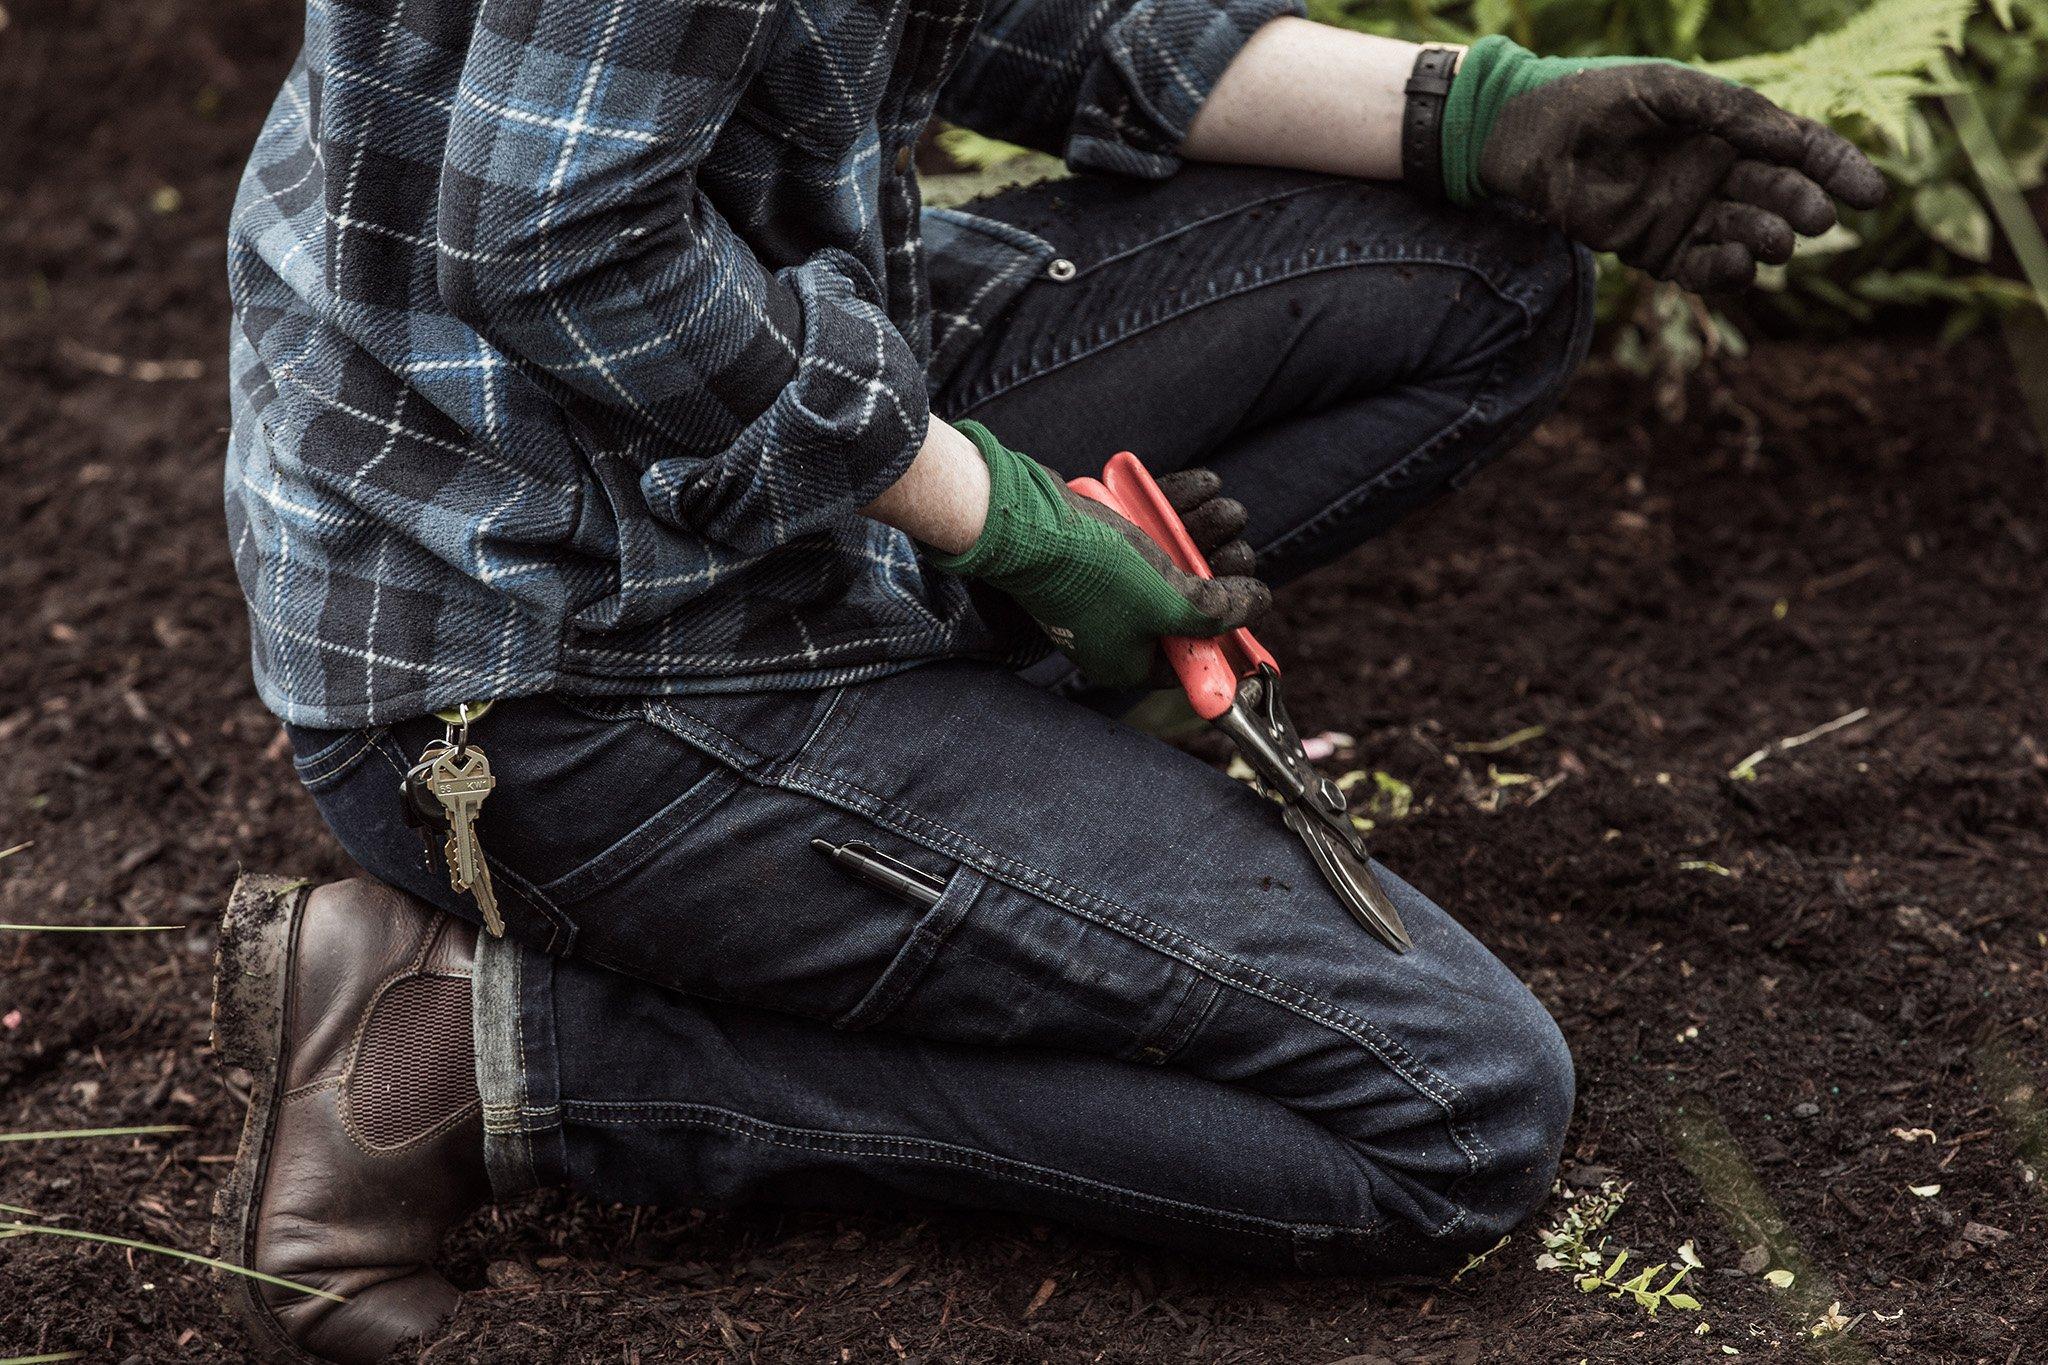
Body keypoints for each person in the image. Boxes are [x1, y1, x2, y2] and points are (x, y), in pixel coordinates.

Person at [216, 0, 1884, 1357]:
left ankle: (981, 765)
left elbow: (1016, 17)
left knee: (1481, 267)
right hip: (563, 665)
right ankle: (508, 1049)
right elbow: (562, 245)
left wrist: (1477, 113)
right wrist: (1011, 525)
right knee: (1455, 1113)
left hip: (755, 473)